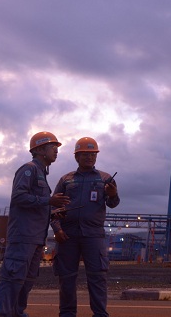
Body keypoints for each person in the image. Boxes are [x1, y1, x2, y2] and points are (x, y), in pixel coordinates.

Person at [0, 131, 71, 317]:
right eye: (53, 147)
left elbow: (37, 205)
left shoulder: (41, 173)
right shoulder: (29, 169)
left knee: (26, 280)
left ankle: (16, 312)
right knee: (12, 278)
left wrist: (54, 211)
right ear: (40, 150)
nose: (56, 151)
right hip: (23, 236)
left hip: (36, 238)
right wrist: (48, 201)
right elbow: (19, 197)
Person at [51, 136, 120, 317]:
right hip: (67, 235)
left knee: (97, 277)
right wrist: (57, 229)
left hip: (93, 235)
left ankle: (100, 314)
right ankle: (67, 314)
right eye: (85, 154)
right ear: (77, 156)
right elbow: (53, 207)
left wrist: (113, 194)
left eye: (93, 154)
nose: (90, 157)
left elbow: (113, 204)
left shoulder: (105, 179)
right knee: (66, 278)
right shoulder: (66, 180)